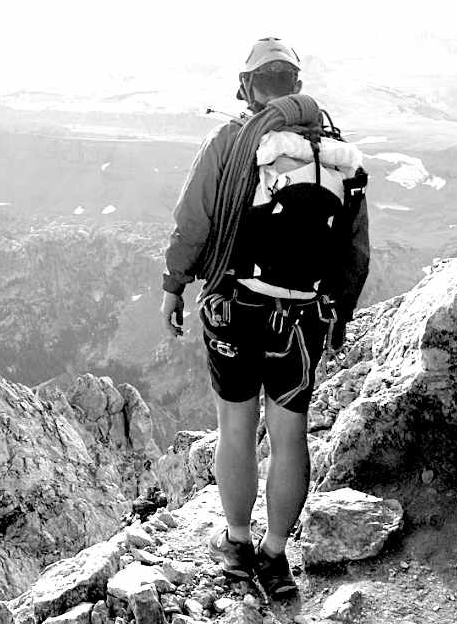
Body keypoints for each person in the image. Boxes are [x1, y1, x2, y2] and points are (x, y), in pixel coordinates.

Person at [159, 37, 370, 600]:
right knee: (289, 435)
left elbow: (192, 221)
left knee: (235, 427)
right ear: (296, 85)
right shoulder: (334, 153)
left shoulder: (230, 140)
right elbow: (354, 249)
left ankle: (236, 543)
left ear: (248, 86)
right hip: (301, 316)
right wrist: (340, 316)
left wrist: (173, 285)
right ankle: (277, 557)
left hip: (234, 303)